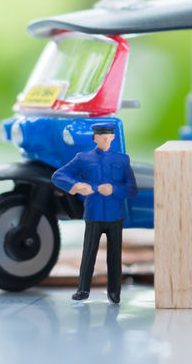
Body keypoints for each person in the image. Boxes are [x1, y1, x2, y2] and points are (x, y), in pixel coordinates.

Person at [51, 123, 137, 303]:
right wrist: (75, 186)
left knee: (115, 256)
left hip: (115, 215)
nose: (105, 140)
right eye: (101, 137)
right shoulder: (83, 158)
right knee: (89, 253)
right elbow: (58, 176)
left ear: (113, 137)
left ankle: (114, 292)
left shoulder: (122, 160)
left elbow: (131, 189)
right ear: (95, 138)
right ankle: (83, 289)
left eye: (108, 137)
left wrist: (114, 189)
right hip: (94, 214)